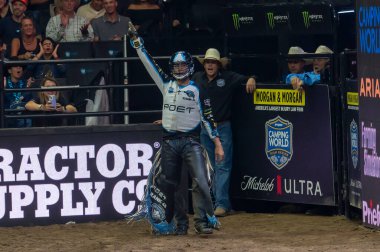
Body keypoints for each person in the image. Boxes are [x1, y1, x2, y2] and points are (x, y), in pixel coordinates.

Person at [128, 23, 223, 235]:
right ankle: (177, 224)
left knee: (201, 179)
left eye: (182, 65)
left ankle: (202, 221)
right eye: (176, 66)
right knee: (169, 184)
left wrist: (217, 143)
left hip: (191, 141)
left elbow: (208, 117)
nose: (179, 69)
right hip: (169, 142)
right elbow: (149, 63)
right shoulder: (166, 83)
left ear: (189, 66)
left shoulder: (198, 89)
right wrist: (137, 43)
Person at [192, 48, 256, 217]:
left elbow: (248, 77)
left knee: (222, 165)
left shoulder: (227, 78)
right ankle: (216, 203)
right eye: (207, 62)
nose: (210, 65)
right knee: (210, 166)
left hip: (222, 126)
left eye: (213, 62)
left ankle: (221, 203)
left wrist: (251, 79)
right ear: (204, 65)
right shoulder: (197, 78)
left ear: (218, 65)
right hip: (205, 127)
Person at [4, 58, 33, 127]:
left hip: (22, 115)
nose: (19, 68)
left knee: (28, 120)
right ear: (9, 70)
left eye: (20, 67)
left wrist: (28, 89)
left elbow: (30, 101)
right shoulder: (4, 83)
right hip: (7, 115)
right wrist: (3, 89)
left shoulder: (26, 83)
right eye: (16, 66)